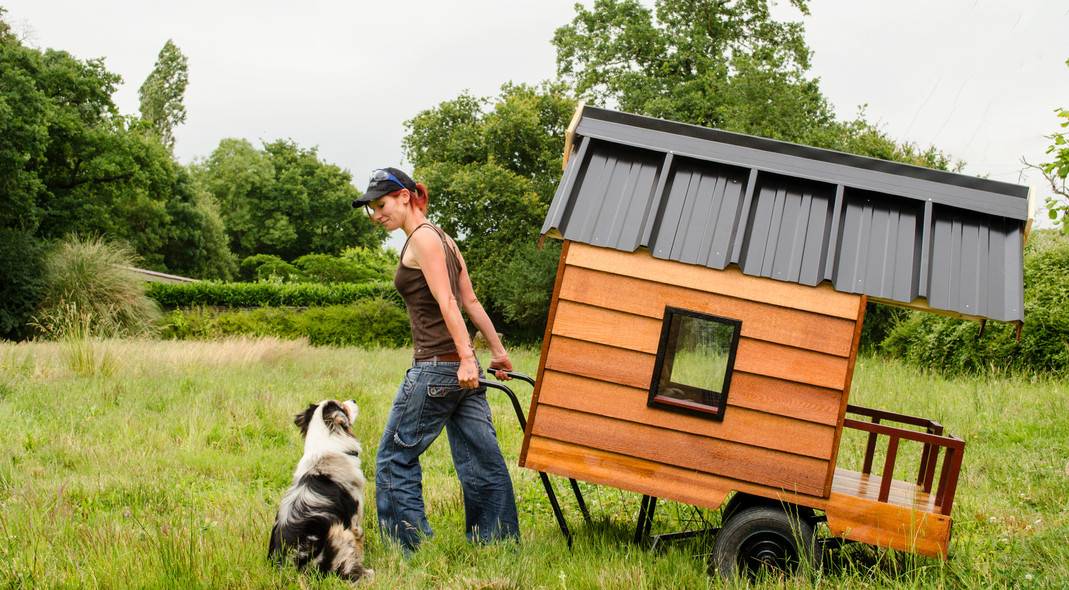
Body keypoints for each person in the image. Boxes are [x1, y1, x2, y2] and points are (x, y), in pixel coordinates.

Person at [353, 167, 520, 552]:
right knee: (481, 460)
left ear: (405, 197)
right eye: (371, 209)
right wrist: (497, 353)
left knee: (394, 458)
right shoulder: (444, 239)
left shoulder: (422, 241)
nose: (377, 215)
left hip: (436, 368)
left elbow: (450, 302)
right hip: (462, 370)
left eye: (382, 205)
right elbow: (471, 301)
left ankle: (409, 550)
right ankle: (496, 546)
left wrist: (465, 357)